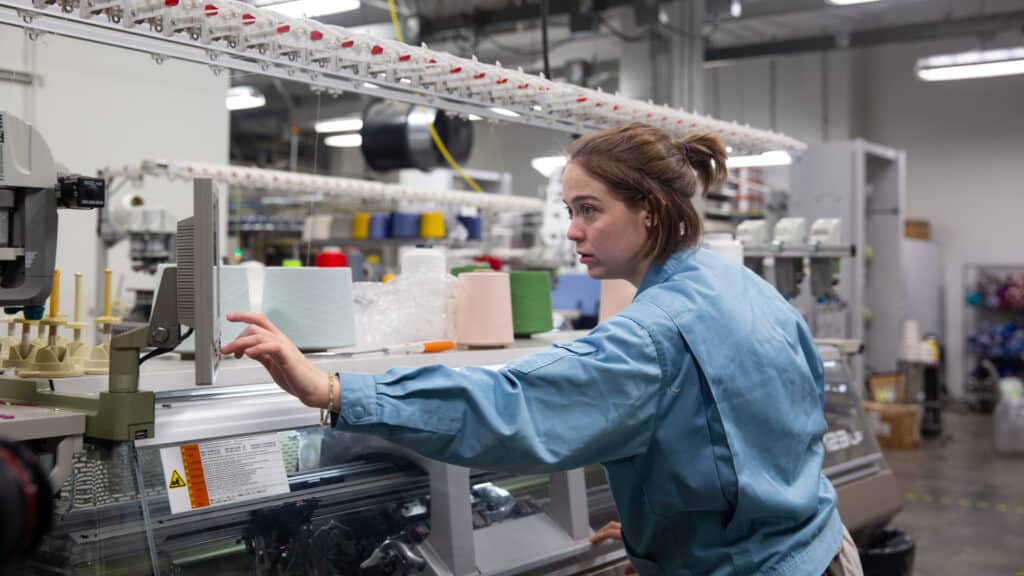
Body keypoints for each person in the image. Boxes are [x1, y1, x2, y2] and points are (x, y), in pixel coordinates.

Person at [222, 122, 863, 576]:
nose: (573, 230)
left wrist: (333, 390)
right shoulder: (745, 286)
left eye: (589, 209)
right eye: (568, 209)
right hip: (819, 547)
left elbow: (512, 406)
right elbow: (785, 429)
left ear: (652, 211)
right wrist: (657, 539)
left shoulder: (653, 332)